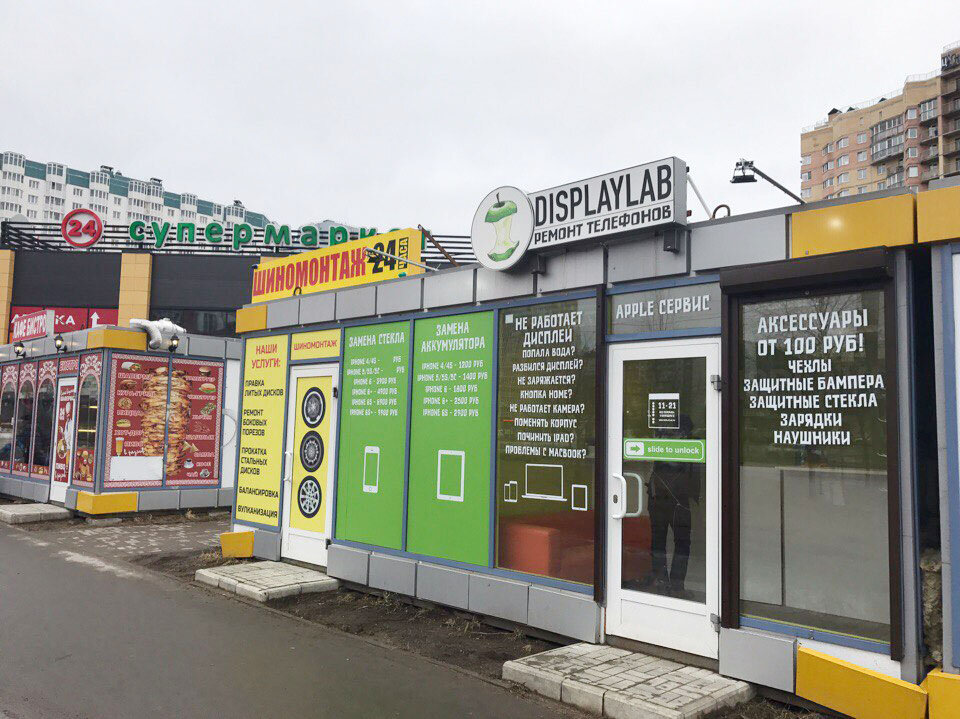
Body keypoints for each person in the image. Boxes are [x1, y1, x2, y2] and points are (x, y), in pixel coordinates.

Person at [647, 414, 697, 599]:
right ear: (684, 431)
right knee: (682, 542)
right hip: (677, 499)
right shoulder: (682, 443)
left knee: (658, 541)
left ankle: (661, 583)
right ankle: (676, 587)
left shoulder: (659, 438)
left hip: (656, 496)